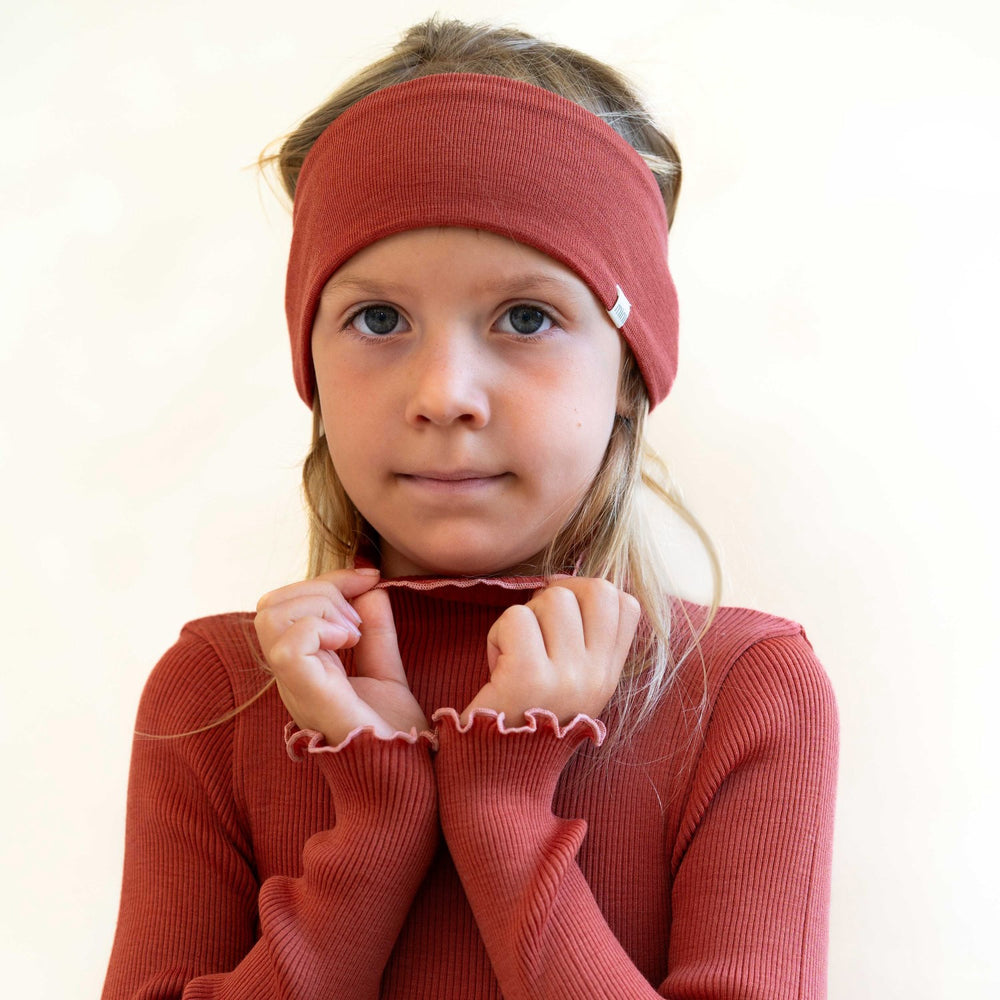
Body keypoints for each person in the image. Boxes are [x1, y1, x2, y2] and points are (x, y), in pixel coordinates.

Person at [102, 16, 838, 1000]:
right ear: (310, 366)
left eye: (526, 317)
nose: (444, 393)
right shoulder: (214, 695)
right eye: (378, 318)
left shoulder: (742, 693)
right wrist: (376, 823)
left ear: (630, 372)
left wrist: (500, 805)